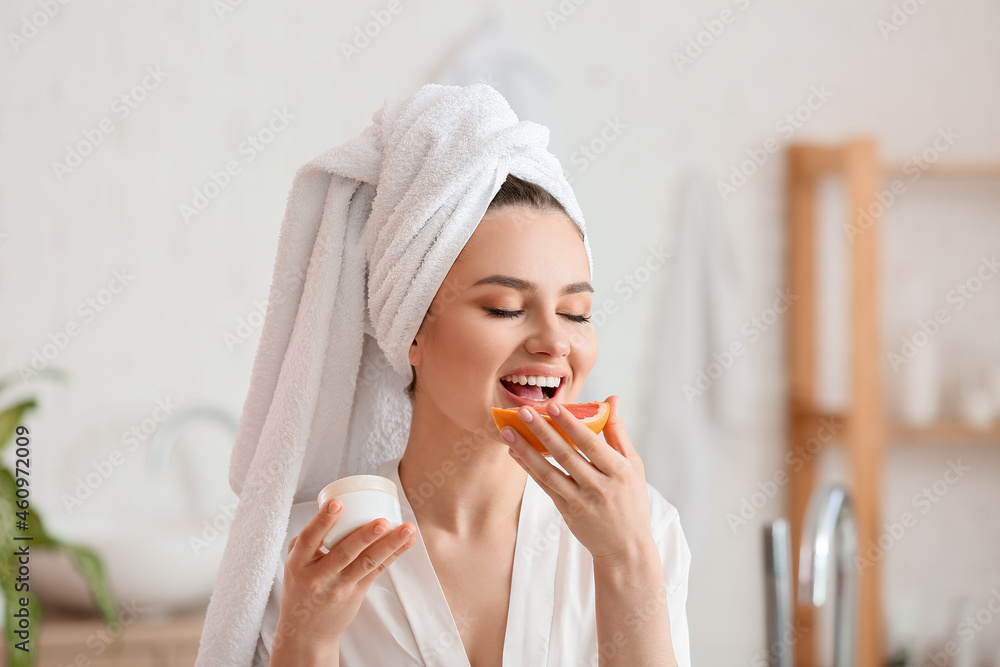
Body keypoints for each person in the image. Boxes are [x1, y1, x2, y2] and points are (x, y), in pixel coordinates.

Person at [257, 173, 692, 666]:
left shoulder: (643, 525)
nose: (555, 341)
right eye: (505, 308)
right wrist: (306, 640)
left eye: (576, 313)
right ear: (412, 333)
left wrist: (626, 560)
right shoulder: (309, 557)